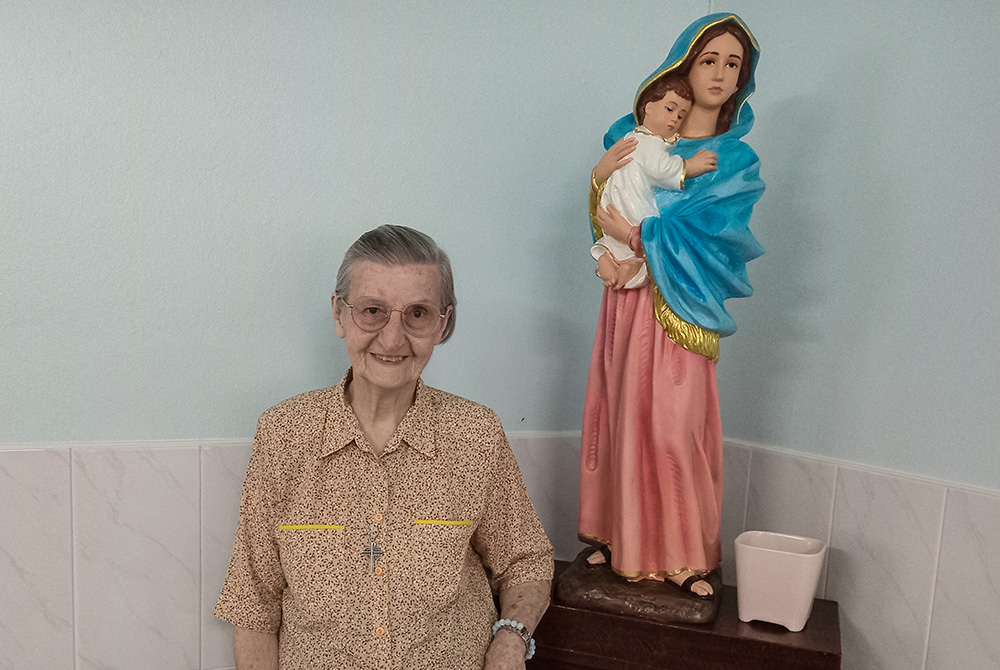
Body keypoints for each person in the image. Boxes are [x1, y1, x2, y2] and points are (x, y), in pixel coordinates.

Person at [214, 225, 554, 669]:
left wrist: (510, 641)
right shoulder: (284, 434)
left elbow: (526, 562)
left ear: (442, 323)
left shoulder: (476, 434)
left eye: (417, 314)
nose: (392, 339)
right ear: (339, 314)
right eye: (372, 311)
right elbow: (253, 603)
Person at [578, 13, 765, 599]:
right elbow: (606, 208)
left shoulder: (735, 162)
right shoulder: (632, 139)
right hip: (626, 301)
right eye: (709, 59)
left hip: (682, 306)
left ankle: (684, 552)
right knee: (621, 416)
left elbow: (715, 237)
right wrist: (597, 186)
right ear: (683, 65)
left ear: (742, 80)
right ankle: (621, 537)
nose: (719, 72)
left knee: (672, 430)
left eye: (732, 63)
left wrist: (640, 237)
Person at [593, 76, 718, 290]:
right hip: (631, 209)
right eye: (670, 109)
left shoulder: (631, 137)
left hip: (613, 208)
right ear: (648, 107)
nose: (674, 120)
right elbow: (663, 169)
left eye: (681, 115)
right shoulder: (650, 144)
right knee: (640, 251)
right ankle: (629, 268)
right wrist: (691, 166)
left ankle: (607, 259)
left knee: (612, 245)